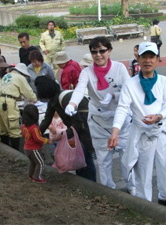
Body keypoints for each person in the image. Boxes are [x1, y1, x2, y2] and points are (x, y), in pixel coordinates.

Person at [108, 42, 166, 208]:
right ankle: (144, 207)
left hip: (161, 131)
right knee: (142, 172)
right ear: (138, 59)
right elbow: (122, 108)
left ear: (157, 60)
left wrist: (158, 116)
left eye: (151, 57)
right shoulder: (130, 84)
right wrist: (115, 132)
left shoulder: (165, 81)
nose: (148, 60)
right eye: (144, 57)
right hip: (141, 134)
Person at [64, 36, 132, 191]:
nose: (98, 55)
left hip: (120, 120)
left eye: (102, 51)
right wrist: (72, 103)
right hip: (99, 121)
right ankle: (108, 190)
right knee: (103, 160)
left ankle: (132, 189)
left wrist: (114, 95)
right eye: (94, 52)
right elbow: (80, 88)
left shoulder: (119, 68)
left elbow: (130, 91)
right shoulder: (87, 72)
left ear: (109, 51)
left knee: (127, 159)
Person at [35, 76, 97, 182]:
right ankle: (83, 181)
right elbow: (47, 119)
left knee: (84, 156)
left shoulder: (64, 99)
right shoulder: (53, 100)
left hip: (84, 129)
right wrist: (36, 134)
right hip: (77, 130)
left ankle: (91, 183)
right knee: (79, 156)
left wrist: (64, 134)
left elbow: (78, 123)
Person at [0, 63, 37, 151]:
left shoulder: (7, 75)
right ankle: (16, 151)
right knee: (14, 128)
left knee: (3, 128)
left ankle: (5, 150)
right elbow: (29, 93)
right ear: (22, 73)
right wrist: (34, 99)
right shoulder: (20, 78)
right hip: (8, 102)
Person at [22, 104, 53, 183]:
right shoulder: (34, 128)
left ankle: (30, 174)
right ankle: (37, 177)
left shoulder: (23, 126)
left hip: (27, 147)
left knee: (33, 162)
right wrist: (46, 140)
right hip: (34, 149)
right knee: (41, 163)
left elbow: (23, 135)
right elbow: (38, 138)